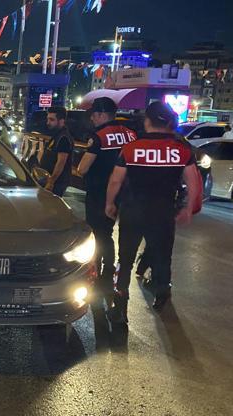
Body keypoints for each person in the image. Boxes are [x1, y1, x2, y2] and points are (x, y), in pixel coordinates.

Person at [105, 102, 200, 323]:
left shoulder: (132, 148)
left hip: (132, 211)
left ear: (147, 121)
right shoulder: (181, 149)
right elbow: (193, 182)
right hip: (163, 213)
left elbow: (116, 180)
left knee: (125, 259)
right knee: (162, 257)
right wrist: (187, 208)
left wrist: (110, 203)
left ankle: (120, 301)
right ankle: (162, 293)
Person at [76, 97, 137, 303]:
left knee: (99, 234)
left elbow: (82, 168)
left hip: (99, 193)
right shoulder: (131, 134)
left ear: (102, 114)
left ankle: (102, 271)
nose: (92, 118)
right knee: (111, 233)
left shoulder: (99, 136)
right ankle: (115, 273)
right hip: (126, 192)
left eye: (94, 114)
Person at [40, 106, 73, 196]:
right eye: (48, 119)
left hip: (56, 183)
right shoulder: (57, 135)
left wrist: (51, 182)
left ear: (61, 121)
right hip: (49, 179)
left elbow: (60, 163)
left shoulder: (63, 138)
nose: (48, 122)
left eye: (51, 120)